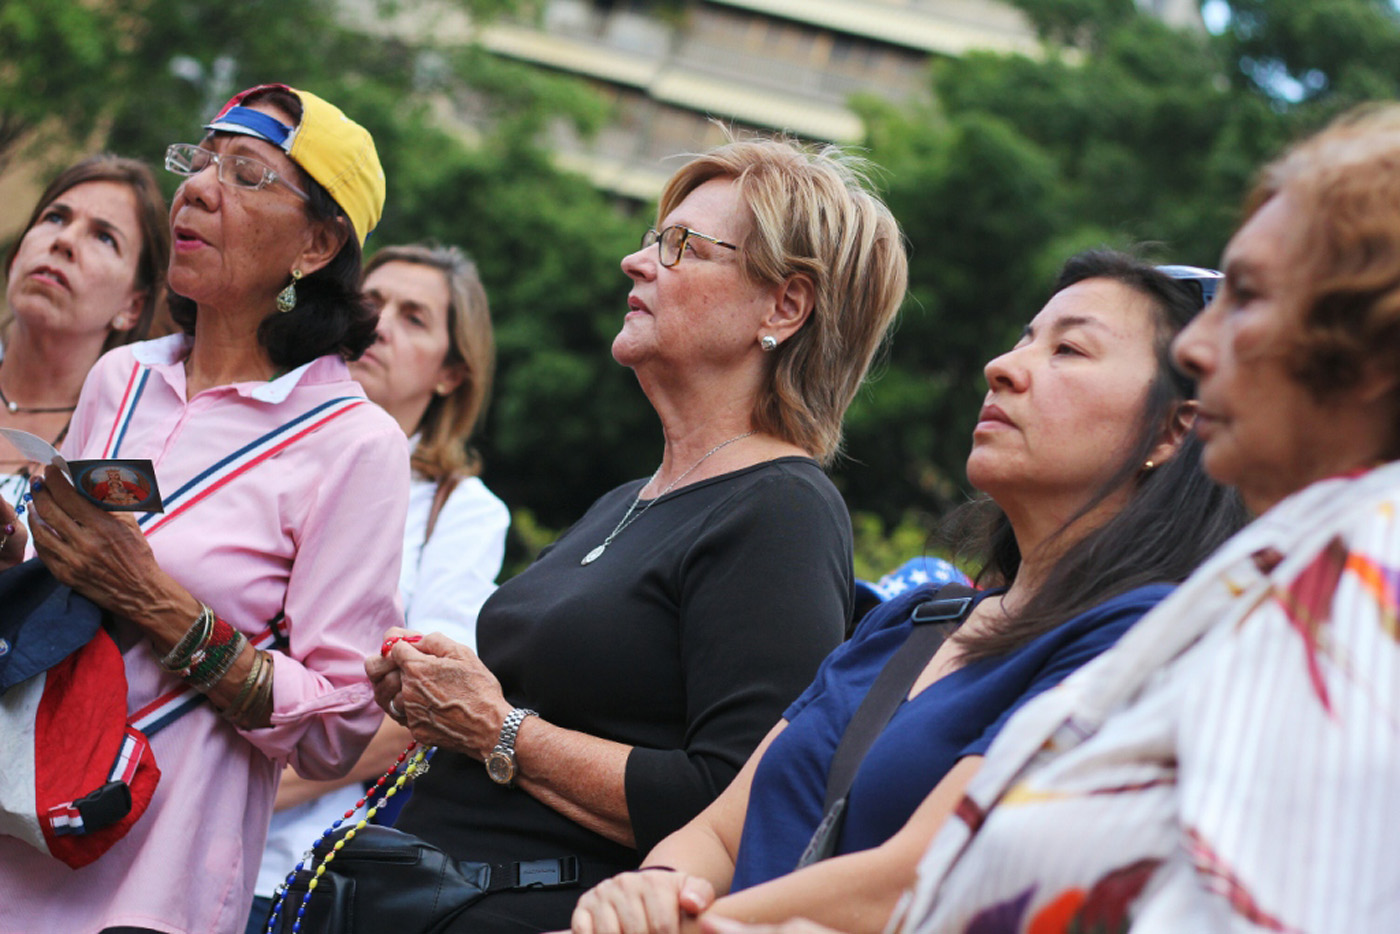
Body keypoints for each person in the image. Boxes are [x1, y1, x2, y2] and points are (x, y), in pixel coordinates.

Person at [567, 251, 1246, 934]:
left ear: (1174, 429)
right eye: (1025, 338)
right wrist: (649, 895)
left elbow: (927, 874)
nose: (1003, 367)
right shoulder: (914, 619)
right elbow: (715, 835)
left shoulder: (1139, 637)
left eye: (1069, 348)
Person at [364, 135, 908, 933]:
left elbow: (728, 804)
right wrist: (439, 695)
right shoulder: (631, 496)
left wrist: (499, 727)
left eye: (682, 246)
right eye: (656, 238)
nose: (636, 262)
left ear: (783, 307)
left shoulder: (783, 510)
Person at [894, 104, 1400, 934]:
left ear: (1376, 344)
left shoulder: (1367, 583)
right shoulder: (1295, 568)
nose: (1198, 351)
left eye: (1248, 299)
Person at [0, 83, 407, 933]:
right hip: (27, 813)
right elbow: (70, 595)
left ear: (318, 243)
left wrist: (163, 606)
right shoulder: (123, 377)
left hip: (160, 870)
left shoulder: (353, 443)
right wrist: (18, 559)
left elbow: (338, 726)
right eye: (201, 159)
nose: (199, 186)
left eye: (249, 174)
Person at [248, 243, 510, 933]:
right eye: (372, 301)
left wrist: (235, 793)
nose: (381, 323)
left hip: (285, 869)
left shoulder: (461, 509)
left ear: (453, 372)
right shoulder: (248, 444)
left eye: (415, 317)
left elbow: (420, 711)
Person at [0, 154, 170, 512]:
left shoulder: (123, 449)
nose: (64, 240)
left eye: (105, 238)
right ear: (17, 256)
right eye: (55, 217)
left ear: (132, 307)